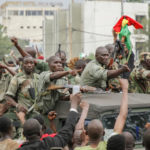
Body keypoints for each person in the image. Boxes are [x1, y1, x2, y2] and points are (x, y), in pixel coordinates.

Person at [75, 79, 129, 150]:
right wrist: (125, 88)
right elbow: (123, 115)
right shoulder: (109, 145)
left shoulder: (79, 149)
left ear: (86, 133)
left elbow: (77, 130)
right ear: (103, 133)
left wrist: (83, 142)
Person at [16, 92, 81, 150]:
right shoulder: (49, 143)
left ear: (23, 134)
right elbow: (68, 129)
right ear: (40, 133)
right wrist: (74, 105)